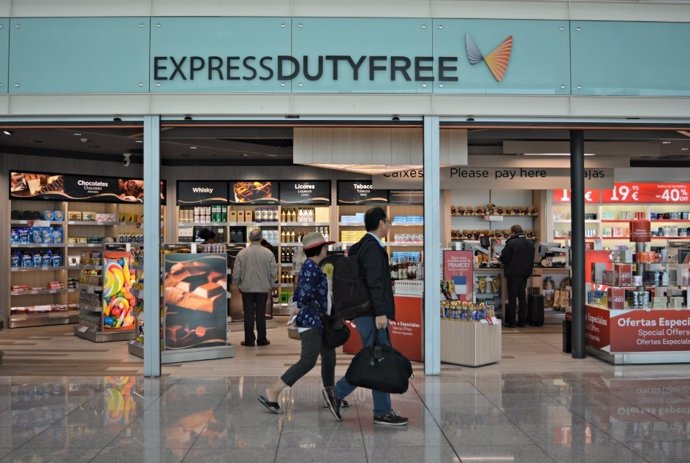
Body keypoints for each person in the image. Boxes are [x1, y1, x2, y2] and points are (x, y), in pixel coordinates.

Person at [325, 206, 408, 426]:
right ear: (381, 223)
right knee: (377, 359)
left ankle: (349, 396)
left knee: (374, 358)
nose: (388, 225)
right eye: (388, 221)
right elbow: (375, 282)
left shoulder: (359, 246)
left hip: (363, 311)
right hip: (371, 313)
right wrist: (380, 312)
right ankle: (375, 408)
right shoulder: (372, 248)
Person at [257, 232, 335, 414]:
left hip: (321, 320)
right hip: (311, 320)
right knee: (308, 361)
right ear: (318, 249)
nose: (327, 249)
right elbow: (304, 293)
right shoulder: (310, 267)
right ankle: (273, 391)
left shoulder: (316, 266)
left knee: (329, 357)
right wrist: (298, 306)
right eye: (325, 246)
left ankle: (332, 394)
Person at [232, 228, 277, 346]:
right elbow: (273, 272)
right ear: (261, 238)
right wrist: (271, 285)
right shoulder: (268, 253)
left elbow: (236, 271)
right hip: (263, 288)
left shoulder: (242, 253)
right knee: (261, 314)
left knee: (248, 313)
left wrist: (236, 283)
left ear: (249, 239)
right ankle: (262, 339)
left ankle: (249, 340)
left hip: (247, 288)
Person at [498, 224, 535, 328]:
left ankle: (512, 322)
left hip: (513, 273)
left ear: (513, 232)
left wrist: (499, 259)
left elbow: (504, 257)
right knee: (522, 297)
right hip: (525, 274)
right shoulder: (530, 243)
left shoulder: (511, 243)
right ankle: (522, 321)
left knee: (512, 297)